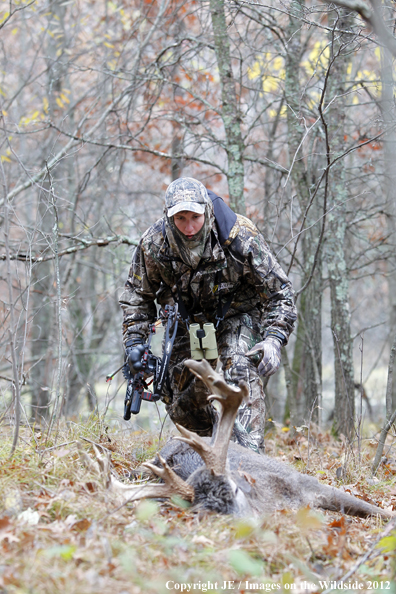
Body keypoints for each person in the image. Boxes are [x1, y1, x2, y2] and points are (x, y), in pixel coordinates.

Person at [119, 177, 296, 452]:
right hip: (183, 322)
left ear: (207, 212)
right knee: (179, 398)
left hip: (238, 314)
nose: (189, 227)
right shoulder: (153, 244)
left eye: (195, 217)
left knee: (240, 371)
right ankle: (208, 450)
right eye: (181, 219)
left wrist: (273, 338)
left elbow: (280, 292)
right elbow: (136, 296)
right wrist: (135, 343)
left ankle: (248, 458)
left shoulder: (239, 237)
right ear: (169, 216)